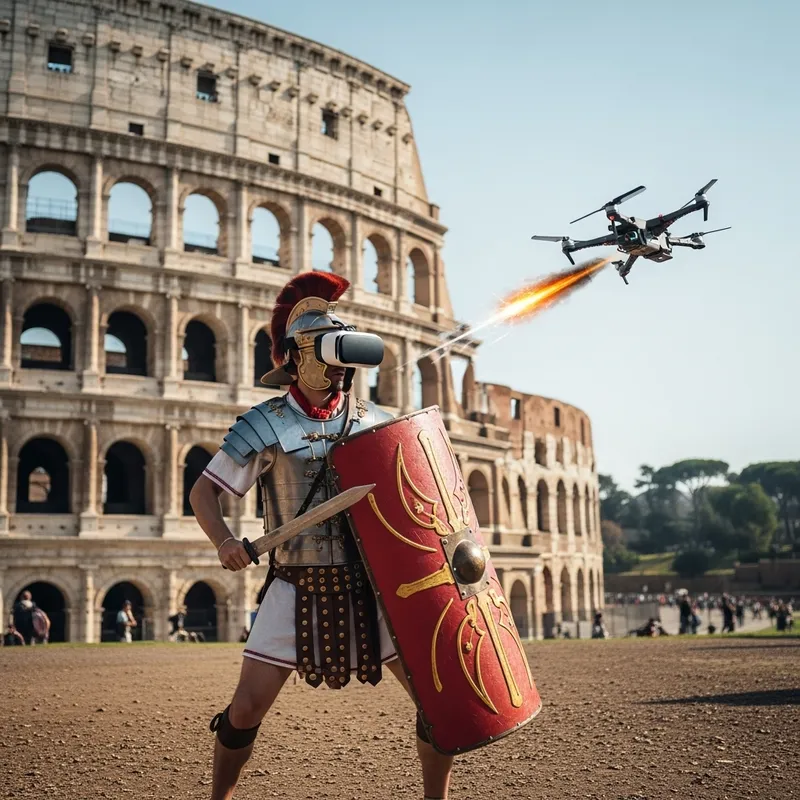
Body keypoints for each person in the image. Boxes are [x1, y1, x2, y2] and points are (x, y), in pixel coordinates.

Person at [190, 273, 455, 800]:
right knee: (244, 711)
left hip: (371, 588)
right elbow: (203, 493)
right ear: (296, 358)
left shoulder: (377, 423)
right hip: (294, 585)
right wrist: (225, 542)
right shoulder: (264, 425)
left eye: (343, 362)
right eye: (328, 359)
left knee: (437, 700)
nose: (339, 372)